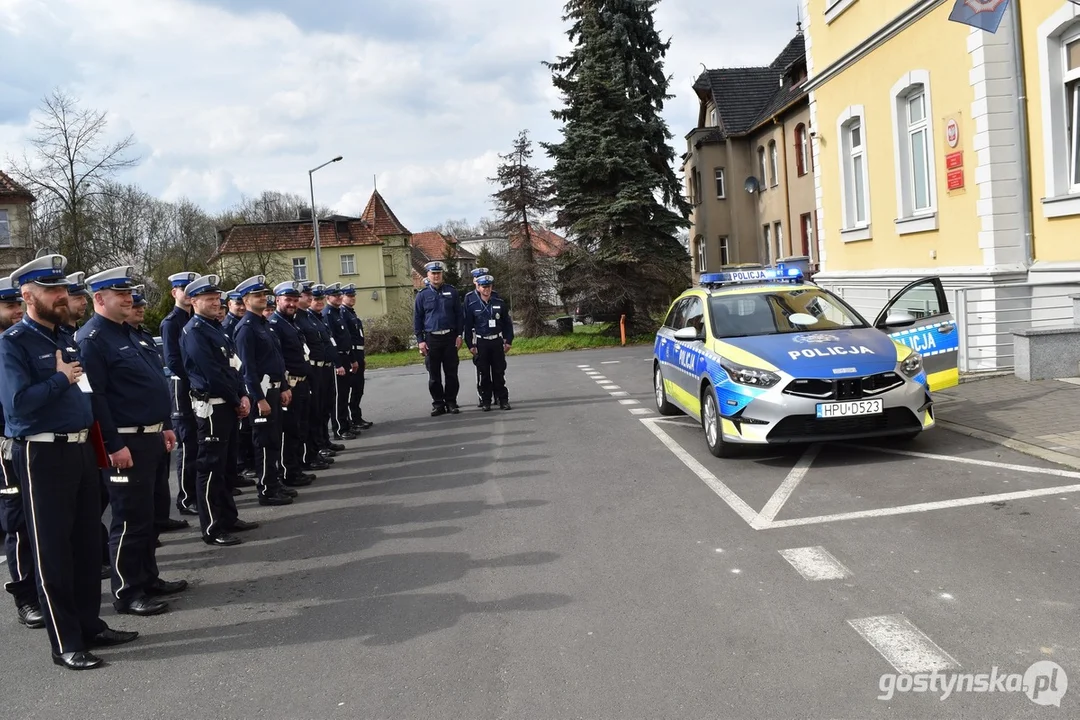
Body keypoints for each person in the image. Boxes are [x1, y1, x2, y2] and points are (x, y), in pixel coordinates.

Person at [0, 254, 138, 670]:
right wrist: (59, 378)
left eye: (63, 289)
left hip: (79, 449)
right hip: (42, 454)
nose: (63, 296)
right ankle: (65, 643)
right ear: (28, 295)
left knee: (84, 545)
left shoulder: (64, 338)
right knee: (52, 551)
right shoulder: (12, 344)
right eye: (52, 290)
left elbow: (88, 397)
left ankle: (90, 625)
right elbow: (18, 408)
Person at [78, 268, 188, 617]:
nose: (128, 298)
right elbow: (96, 400)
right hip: (125, 442)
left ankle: (147, 577)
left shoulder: (130, 335)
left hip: (150, 436)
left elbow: (152, 385)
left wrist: (165, 426)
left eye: (128, 293)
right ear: (98, 299)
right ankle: (127, 591)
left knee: (148, 516)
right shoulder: (92, 340)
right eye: (119, 294)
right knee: (128, 519)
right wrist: (111, 445)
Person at [178, 275, 260, 546]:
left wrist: (242, 395)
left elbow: (233, 367)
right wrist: (237, 400)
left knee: (225, 467)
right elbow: (211, 373)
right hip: (213, 407)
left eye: (217, 298)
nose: (216, 303)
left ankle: (228, 517)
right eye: (209, 299)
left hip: (229, 403)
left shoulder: (216, 328)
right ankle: (212, 527)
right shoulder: (195, 331)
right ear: (194, 301)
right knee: (210, 469)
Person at [0, 276, 43, 630]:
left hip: (31, 442)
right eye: (9, 306)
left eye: (18, 304)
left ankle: (47, 589)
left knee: (44, 520)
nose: (16, 312)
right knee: (18, 524)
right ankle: (25, 596)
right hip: (5, 446)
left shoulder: (23, 343)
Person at [233, 276, 293, 506]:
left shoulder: (263, 324)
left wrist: (285, 387)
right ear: (246, 300)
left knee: (274, 440)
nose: (263, 298)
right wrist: (258, 398)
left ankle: (274, 483)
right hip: (262, 393)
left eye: (263, 294)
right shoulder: (246, 329)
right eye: (257, 295)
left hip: (275, 390)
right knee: (265, 443)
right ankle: (267, 490)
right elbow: (247, 369)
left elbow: (277, 359)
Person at [160, 271, 200, 518]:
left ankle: (197, 491)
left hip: (197, 386)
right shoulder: (171, 322)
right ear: (174, 292)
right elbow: (173, 361)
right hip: (183, 386)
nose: (187, 292)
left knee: (198, 442)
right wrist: (197, 377)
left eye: (190, 288)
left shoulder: (194, 319)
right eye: (183, 288)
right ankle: (186, 498)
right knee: (187, 444)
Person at [268, 281, 315, 488]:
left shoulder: (291, 322)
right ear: (278, 300)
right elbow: (277, 359)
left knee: (300, 428)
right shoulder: (275, 325)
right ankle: (288, 471)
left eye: (295, 300)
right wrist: (285, 386)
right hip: (290, 385)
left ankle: (295, 468)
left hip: (302, 383)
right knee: (289, 430)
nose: (292, 304)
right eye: (288, 300)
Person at [413, 261, 463, 416]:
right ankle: (438, 404)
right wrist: (420, 340)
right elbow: (417, 319)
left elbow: (459, 315)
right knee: (434, 375)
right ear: (428, 275)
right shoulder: (422, 295)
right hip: (431, 339)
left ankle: (451, 402)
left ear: (442, 275)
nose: (436, 276)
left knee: (451, 373)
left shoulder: (452, 292)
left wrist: (460, 335)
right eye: (433, 273)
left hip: (449, 338)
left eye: (438, 273)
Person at [294, 284, 333, 472]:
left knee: (320, 410)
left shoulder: (308, 318)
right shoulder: (296, 319)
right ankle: (311, 452)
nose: (310, 298)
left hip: (319, 369)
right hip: (309, 370)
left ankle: (318, 447)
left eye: (311, 295)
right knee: (310, 415)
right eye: (306, 295)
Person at [463, 274, 514, 411]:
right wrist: (470, 345)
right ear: (478, 288)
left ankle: (503, 399)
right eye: (484, 287)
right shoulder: (473, 306)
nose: (487, 289)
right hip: (482, 342)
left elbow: (507, 324)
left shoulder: (499, 303)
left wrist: (508, 341)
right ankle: (486, 401)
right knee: (484, 373)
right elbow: (468, 327)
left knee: (499, 372)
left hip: (496, 341)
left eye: (489, 287)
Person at [322, 283, 357, 439]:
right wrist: (338, 363)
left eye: (339, 295)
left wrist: (351, 359)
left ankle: (345, 424)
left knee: (344, 394)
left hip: (345, 355)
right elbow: (331, 341)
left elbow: (345, 339)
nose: (338, 298)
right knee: (338, 396)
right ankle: (339, 429)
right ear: (328, 298)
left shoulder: (337, 313)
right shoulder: (328, 314)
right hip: (338, 358)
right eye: (335, 296)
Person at [340, 284, 373, 431]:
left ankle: (357, 416)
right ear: (343, 297)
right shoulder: (343, 313)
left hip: (358, 353)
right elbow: (346, 338)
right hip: (351, 354)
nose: (352, 298)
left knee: (359, 388)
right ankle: (352, 418)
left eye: (353, 296)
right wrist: (353, 357)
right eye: (349, 296)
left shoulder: (351, 313)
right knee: (352, 388)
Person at [463, 267, 496, 408]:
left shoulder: (493, 294)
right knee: (481, 370)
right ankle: (483, 396)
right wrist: (470, 341)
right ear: (474, 281)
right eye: (477, 279)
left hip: (492, 335)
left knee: (497, 369)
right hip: (478, 336)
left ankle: (498, 395)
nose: (479, 282)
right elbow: (466, 320)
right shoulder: (469, 297)